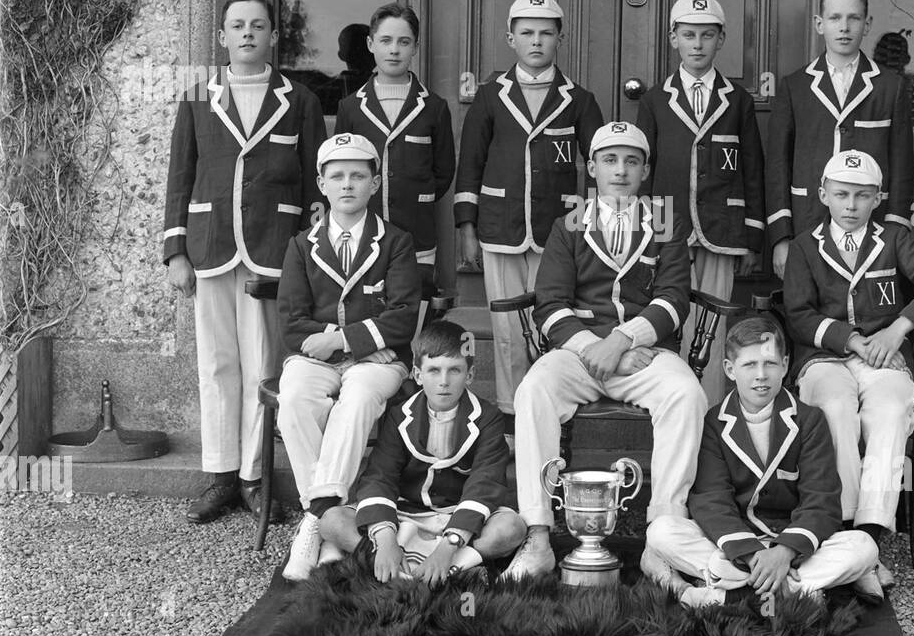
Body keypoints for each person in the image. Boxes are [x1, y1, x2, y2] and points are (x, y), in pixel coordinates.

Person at [504, 122, 707, 579]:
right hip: (581, 354)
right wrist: (597, 347)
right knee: (534, 390)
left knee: (686, 395)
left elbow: (674, 299)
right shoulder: (568, 225)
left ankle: (663, 534)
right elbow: (550, 303)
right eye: (610, 160)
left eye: (631, 161)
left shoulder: (665, 222)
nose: (620, 171)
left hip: (643, 354)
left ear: (645, 170)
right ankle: (538, 536)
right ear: (591, 167)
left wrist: (623, 341)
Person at [164, 0, 325, 524]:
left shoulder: (298, 99)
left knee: (262, 364)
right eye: (238, 26)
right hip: (210, 247)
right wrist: (175, 251)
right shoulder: (195, 98)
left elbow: (311, 178)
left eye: (258, 26)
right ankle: (220, 476)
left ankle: (255, 477)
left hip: (272, 250)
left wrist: (307, 251)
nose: (248, 34)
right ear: (223, 36)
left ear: (274, 36)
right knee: (216, 363)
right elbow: (179, 178)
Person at [785, 149, 914, 597]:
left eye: (862, 196)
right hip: (825, 359)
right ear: (823, 193)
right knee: (835, 410)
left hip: (883, 360)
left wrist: (898, 329)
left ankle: (869, 542)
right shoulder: (806, 244)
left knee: (888, 412)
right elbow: (799, 315)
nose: (850, 206)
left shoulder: (895, 238)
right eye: (841, 194)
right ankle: (839, 532)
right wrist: (853, 340)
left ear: (878, 197)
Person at [643, 316, 880, 609]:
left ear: (784, 364)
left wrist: (784, 552)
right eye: (749, 365)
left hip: (791, 543)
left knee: (863, 547)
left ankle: (728, 595)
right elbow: (711, 499)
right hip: (736, 545)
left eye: (769, 364)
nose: (761, 375)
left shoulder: (809, 420)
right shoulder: (714, 423)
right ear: (730, 370)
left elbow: (821, 500)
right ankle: (790, 591)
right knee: (662, 530)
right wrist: (751, 554)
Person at [275, 133, 423, 581]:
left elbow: (402, 318)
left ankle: (316, 524)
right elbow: (291, 322)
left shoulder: (395, 241)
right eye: (336, 176)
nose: (347, 185)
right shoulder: (303, 244)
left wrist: (340, 340)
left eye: (358, 175)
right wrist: (327, 343)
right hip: (314, 357)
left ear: (375, 184)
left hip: (378, 360)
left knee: (357, 398)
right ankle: (323, 517)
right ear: (321, 184)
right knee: (296, 397)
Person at [454, 0, 603, 418]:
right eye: (526, 33)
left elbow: (598, 167)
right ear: (510, 39)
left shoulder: (579, 99)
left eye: (545, 33)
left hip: (558, 231)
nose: (536, 41)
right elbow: (471, 163)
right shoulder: (489, 96)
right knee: (506, 329)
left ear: (560, 39)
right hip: (500, 226)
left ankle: (552, 412)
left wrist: (590, 226)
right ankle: (511, 413)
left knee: (554, 323)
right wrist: (467, 225)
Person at [319, 320, 527, 585]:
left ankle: (442, 567)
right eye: (433, 370)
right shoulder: (399, 415)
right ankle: (392, 560)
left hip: (457, 519)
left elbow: (485, 484)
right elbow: (380, 476)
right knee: (332, 521)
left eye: (455, 370)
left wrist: (447, 547)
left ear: (470, 375)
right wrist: (384, 541)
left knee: (511, 529)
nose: (444, 381)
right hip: (405, 516)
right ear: (417, 375)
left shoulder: (488, 418)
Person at [637, 0, 765, 403]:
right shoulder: (656, 100)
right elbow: (646, 170)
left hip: (722, 229)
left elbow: (752, 168)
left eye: (707, 36)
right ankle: (670, 406)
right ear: (673, 38)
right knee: (668, 316)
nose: (697, 44)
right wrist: (647, 229)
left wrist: (752, 234)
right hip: (668, 226)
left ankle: (708, 412)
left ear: (721, 39)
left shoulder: (738, 100)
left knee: (714, 322)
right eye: (688, 35)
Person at [766, 0, 914, 279]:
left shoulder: (890, 87)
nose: (844, 27)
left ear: (867, 24)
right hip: (808, 223)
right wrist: (781, 237)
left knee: (866, 313)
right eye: (835, 18)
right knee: (807, 315)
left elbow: (901, 166)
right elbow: (778, 166)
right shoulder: (795, 86)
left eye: (853, 18)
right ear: (819, 24)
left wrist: (895, 233)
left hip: (872, 228)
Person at [334, 3, 455, 290]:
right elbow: (339, 169)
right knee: (365, 318)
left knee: (412, 315)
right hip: (362, 231)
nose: (394, 50)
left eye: (404, 42)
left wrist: (415, 194)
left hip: (417, 233)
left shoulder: (434, 108)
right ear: (370, 44)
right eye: (386, 41)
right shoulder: (350, 108)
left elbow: (443, 172)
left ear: (415, 47)